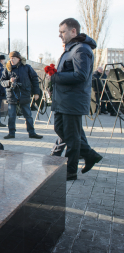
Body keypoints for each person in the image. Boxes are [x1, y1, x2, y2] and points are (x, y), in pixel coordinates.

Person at [49, 18, 103, 181]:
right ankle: (89, 154)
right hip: (62, 100)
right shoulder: (70, 49)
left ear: (73, 31)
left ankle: (70, 171)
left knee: (72, 138)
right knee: (61, 130)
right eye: (59, 32)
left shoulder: (81, 50)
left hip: (73, 101)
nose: (60, 35)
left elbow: (81, 75)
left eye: (62, 32)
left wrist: (55, 76)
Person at [0, 51, 43, 139]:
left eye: (13, 58)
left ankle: (32, 133)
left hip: (24, 94)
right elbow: (1, 81)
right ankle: (11, 133)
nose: (11, 60)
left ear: (18, 59)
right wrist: (9, 82)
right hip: (12, 95)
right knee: (11, 116)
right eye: (10, 58)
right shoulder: (7, 69)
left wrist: (36, 92)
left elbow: (34, 79)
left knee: (28, 115)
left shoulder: (27, 67)